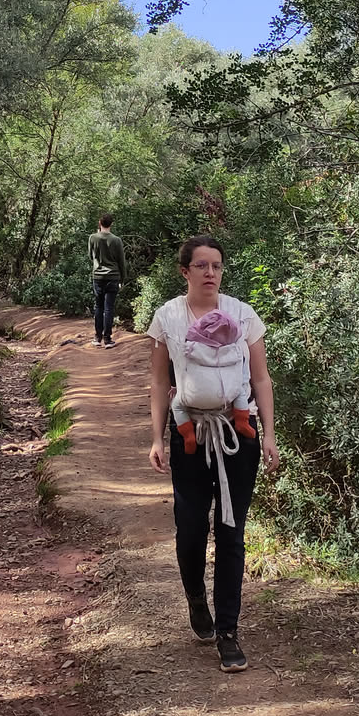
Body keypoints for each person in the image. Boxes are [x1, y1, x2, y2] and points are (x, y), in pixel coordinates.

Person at [146, 234, 279, 673]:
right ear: (184, 271)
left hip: (238, 433)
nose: (210, 273)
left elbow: (260, 379)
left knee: (231, 531)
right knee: (190, 530)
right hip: (190, 435)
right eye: (201, 266)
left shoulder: (243, 315)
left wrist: (270, 434)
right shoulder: (167, 317)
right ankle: (195, 598)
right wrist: (156, 438)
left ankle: (228, 631)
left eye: (216, 266)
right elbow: (158, 380)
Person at [88, 212, 126, 346]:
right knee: (109, 308)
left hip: (98, 276)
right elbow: (121, 261)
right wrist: (122, 279)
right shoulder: (117, 240)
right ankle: (108, 339)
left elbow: (90, 256)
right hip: (113, 276)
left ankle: (97, 338)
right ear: (111, 224)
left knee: (98, 306)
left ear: (100, 223)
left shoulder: (93, 238)